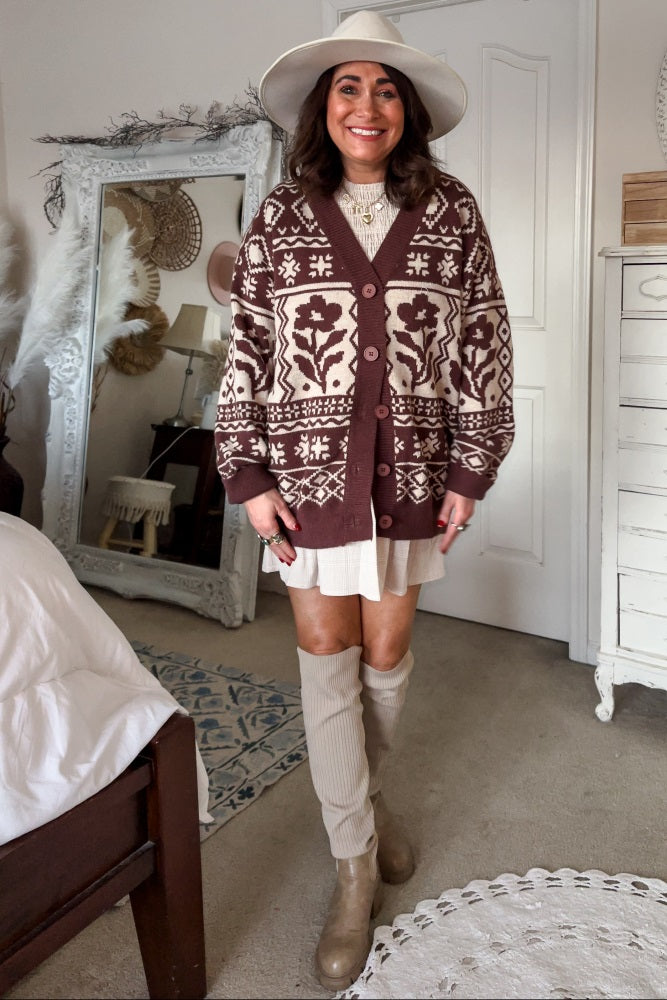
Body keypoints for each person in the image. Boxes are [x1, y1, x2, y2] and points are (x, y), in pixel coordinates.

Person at [215, 9, 514, 992]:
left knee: (384, 655)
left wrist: (470, 470)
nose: (368, 105)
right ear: (323, 106)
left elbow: (484, 341)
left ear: (407, 110)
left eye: (386, 89)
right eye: (349, 86)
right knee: (325, 655)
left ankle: (365, 807)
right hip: (305, 478)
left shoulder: (452, 210)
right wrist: (248, 476)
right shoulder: (282, 214)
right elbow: (247, 349)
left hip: (413, 473)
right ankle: (353, 868)